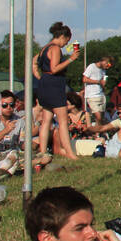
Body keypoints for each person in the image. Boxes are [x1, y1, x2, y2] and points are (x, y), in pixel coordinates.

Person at [33, 21, 80, 160]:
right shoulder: (55, 49)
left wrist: (38, 75)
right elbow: (54, 68)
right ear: (63, 37)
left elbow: (34, 62)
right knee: (63, 120)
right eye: (67, 41)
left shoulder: (44, 48)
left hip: (44, 84)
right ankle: (70, 153)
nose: (66, 44)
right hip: (54, 85)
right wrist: (71, 59)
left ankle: (42, 150)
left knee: (46, 120)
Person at [82, 55, 113, 125]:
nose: (108, 67)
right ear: (104, 61)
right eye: (108, 65)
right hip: (92, 95)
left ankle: (98, 133)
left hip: (101, 95)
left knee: (100, 119)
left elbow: (102, 82)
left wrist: (103, 85)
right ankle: (96, 132)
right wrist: (98, 81)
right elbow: (84, 79)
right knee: (98, 117)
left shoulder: (103, 70)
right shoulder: (92, 67)